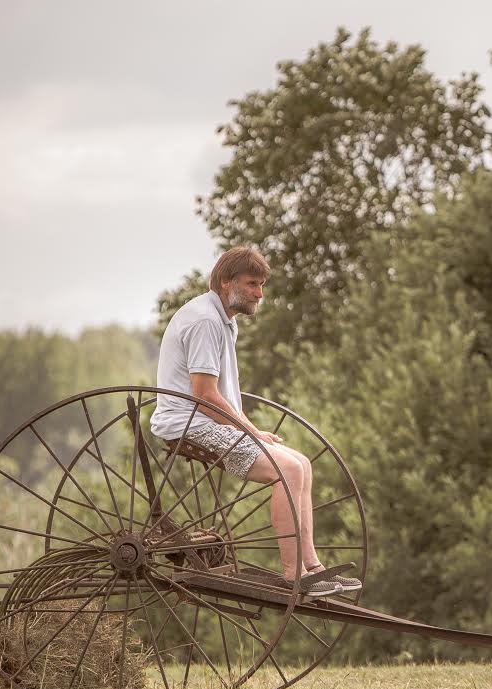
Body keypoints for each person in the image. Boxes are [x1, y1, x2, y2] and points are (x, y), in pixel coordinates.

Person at [149, 246, 361, 596]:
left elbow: (221, 395)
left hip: (208, 421)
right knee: (287, 471)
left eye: (261, 285)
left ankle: (313, 567)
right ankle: (294, 574)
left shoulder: (222, 320)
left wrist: (249, 428)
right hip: (189, 424)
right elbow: (204, 395)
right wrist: (247, 429)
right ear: (225, 282)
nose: (259, 294)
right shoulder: (205, 321)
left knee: (302, 464)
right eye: (252, 284)